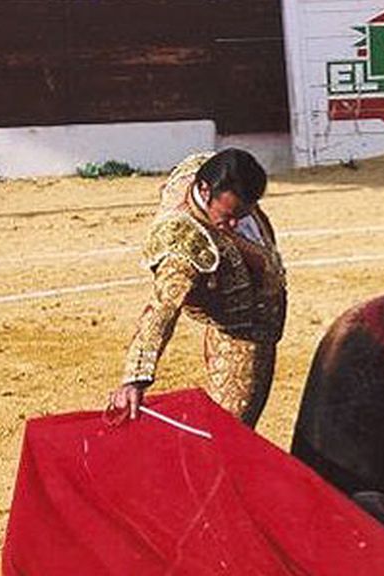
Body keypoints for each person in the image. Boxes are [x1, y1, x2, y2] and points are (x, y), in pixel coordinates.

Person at [108, 148, 286, 428]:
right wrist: (135, 378)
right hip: (241, 333)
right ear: (204, 191)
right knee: (230, 433)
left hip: (239, 308)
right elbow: (163, 308)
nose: (235, 223)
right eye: (228, 215)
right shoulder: (183, 243)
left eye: (244, 213)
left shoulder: (208, 173)